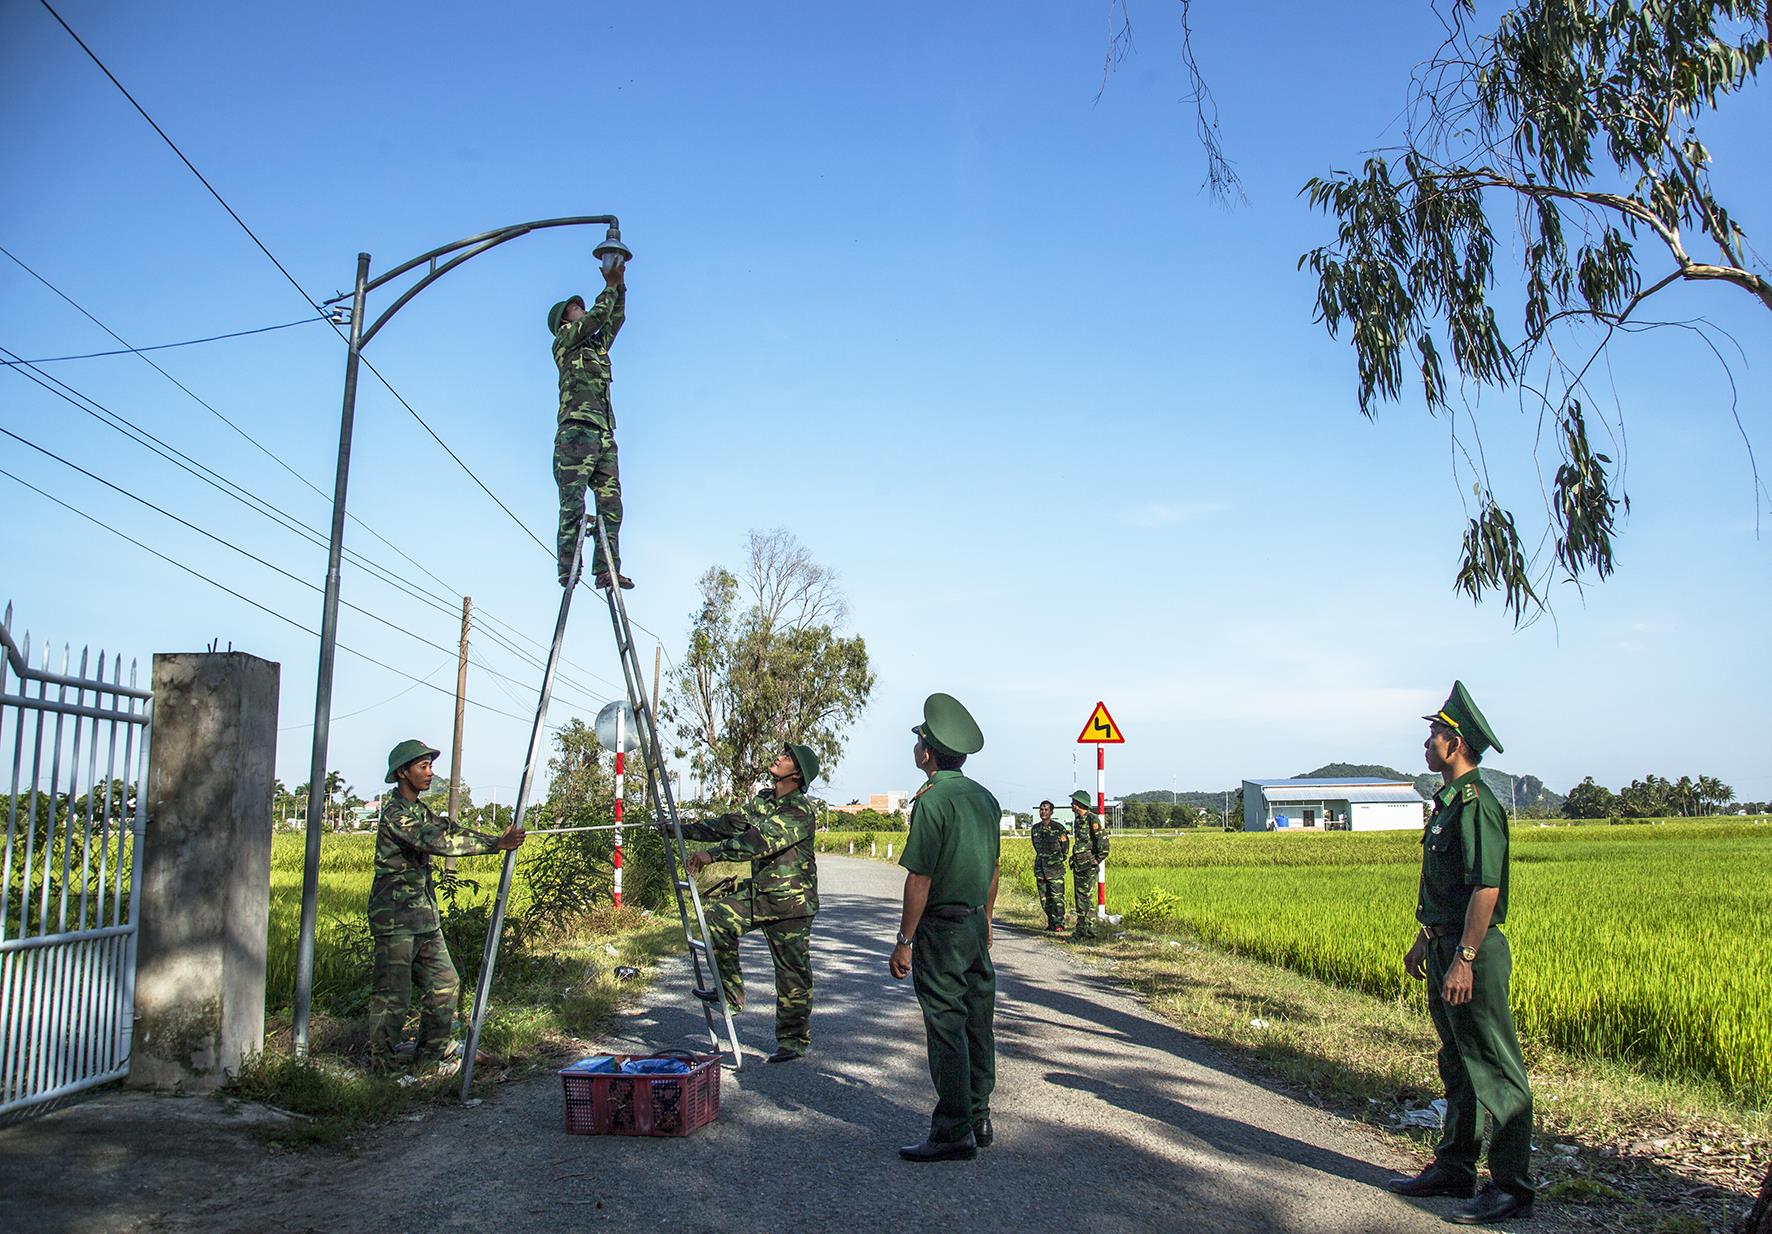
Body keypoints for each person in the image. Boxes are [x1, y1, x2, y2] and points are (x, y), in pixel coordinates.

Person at [1387, 682, 1535, 1226]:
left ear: (1455, 744)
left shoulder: (1477, 805)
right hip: (1446, 942)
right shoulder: (1447, 803)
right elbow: (1444, 887)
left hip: (1474, 951)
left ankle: (1513, 1185)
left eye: (1434, 735)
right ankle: (1454, 1166)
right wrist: (1427, 940)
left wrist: (1465, 958)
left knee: (1494, 1067)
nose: (1426, 743)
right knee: (1457, 1060)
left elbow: (1485, 888)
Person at [368, 739, 524, 1072]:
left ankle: (430, 1058)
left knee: (445, 983)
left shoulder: (421, 811)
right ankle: (384, 1069)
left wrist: (495, 839)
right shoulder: (396, 814)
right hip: (395, 919)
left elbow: (450, 829)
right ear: (402, 773)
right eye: (422, 767)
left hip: (423, 917)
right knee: (393, 996)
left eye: (430, 766)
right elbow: (436, 841)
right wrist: (495, 845)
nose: (429, 773)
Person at [891, 693, 999, 1163]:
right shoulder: (984, 799)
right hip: (975, 923)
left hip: (941, 929)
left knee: (947, 1025)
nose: (916, 747)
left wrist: (904, 941)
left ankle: (954, 1129)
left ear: (928, 752)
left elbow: (920, 878)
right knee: (978, 1020)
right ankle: (978, 1114)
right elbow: (994, 867)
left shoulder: (932, 803)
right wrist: (988, 918)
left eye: (919, 740)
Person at [680, 743, 821, 1063]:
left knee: (792, 975)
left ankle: (792, 1040)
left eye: (787, 758)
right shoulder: (764, 800)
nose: (779, 757)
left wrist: (712, 855)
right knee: (715, 919)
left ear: (797, 774)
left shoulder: (798, 810)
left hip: (791, 904)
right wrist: (682, 831)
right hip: (759, 896)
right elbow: (729, 824)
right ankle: (730, 994)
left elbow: (757, 842)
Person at [548, 252, 630, 590]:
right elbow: (597, 317)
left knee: (612, 505)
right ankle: (568, 568)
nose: (580, 308)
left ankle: (606, 567)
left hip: (603, 433)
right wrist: (608, 286)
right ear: (566, 319)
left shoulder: (594, 347)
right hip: (576, 432)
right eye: (575, 307)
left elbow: (613, 319)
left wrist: (619, 285)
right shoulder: (565, 341)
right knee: (573, 505)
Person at [1066, 789, 1109, 939]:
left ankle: (1087, 931)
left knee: (1085, 899)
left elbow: (1103, 845)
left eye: (1073, 802)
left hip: (1088, 867)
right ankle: (1085, 930)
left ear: (1079, 804)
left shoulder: (1093, 819)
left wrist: (1095, 860)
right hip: (1079, 866)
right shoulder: (1078, 821)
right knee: (1080, 899)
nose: (1071, 805)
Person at [1029, 799, 1070, 933]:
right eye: (1041, 809)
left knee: (1057, 898)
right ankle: (1051, 922)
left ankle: (1059, 923)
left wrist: (1058, 859)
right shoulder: (1035, 829)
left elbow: (1065, 847)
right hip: (1041, 868)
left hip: (1055, 869)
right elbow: (1036, 846)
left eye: (1046, 809)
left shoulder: (1058, 828)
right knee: (1044, 898)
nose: (1043, 812)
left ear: (1051, 812)